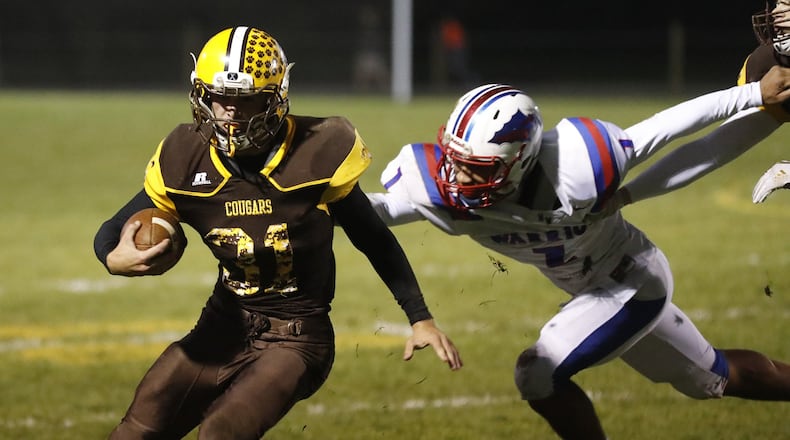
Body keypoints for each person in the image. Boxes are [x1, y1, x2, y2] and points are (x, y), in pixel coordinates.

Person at [366, 73, 790, 439]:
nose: (457, 177)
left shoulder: (576, 167)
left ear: (519, 162)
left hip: (632, 280)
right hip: (596, 292)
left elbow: (672, 131)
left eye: (476, 167)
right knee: (712, 378)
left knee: (537, 372)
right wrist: (308, 206)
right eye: (455, 160)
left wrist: (756, 96)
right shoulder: (444, 195)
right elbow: (373, 212)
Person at [93, 26, 461, 439]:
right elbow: (112, 228)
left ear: (274, 99)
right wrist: (112, 256)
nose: (229, 112)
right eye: (219, 98)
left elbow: (373, 237)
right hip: (222, 325)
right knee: (134, 431)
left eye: (244, 100)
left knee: (220, 434)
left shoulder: (317, 152)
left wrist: (420, 318)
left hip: (297, 338)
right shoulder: (184, 157)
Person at [596, 0, 790, 213]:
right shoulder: (771, 65)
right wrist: (623, 197)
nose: (775, 13)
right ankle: (596, 172)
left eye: (786, 5)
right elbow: (712, 149)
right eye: (778, 3)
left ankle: (592, 168)